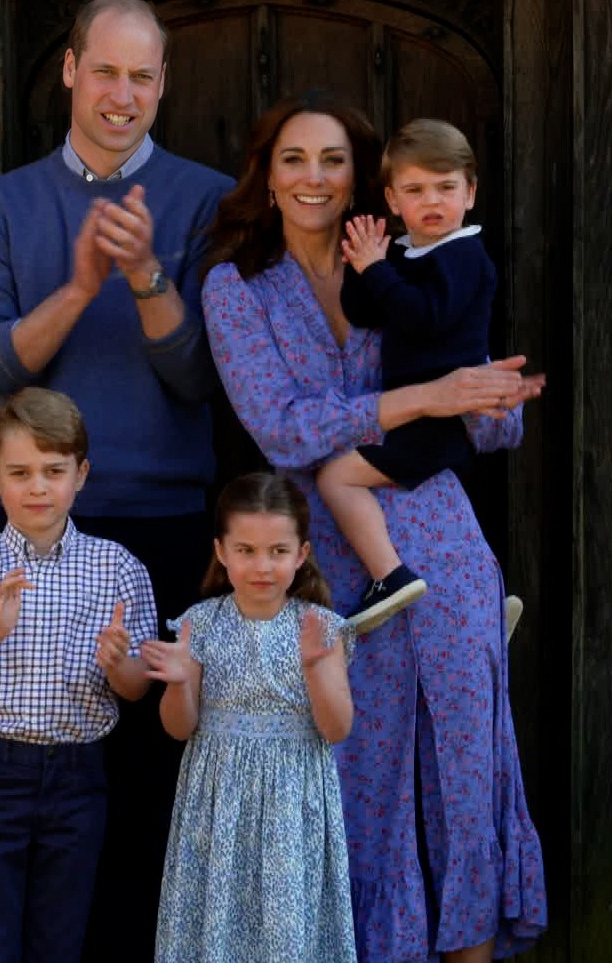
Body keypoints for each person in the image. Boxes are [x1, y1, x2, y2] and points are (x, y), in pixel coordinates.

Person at [201, 90, 547, 963]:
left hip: (441, 528)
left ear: (365, 180)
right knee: (358, 774)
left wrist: (492, 397)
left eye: (332, 160)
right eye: (294, 159)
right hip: (326, 552)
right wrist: (427, 397)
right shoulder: (235, 285)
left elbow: (481, 411)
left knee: (467, 765)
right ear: (266, 177)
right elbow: (281, 427)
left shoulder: (410, 255)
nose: (314, 177)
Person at [0, 0, 234, 957]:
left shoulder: (208, 200)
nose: (122, 95)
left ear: (163, 85)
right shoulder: (1, 204)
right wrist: (77, 286)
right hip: (26, 530)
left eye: (142, 76)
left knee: (149, 788)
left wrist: (148, 275)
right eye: (104, 71)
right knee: (20, 792)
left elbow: (203, 379)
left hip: (160, 524)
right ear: (69, 70)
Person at [0, 387, 155, 963]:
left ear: (81, 474)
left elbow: (138, 687)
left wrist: (118, 662)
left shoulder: (117, 567)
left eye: (54, 470)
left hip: (77, 775)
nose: (38, 487)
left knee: (59, 937)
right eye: (20, 472)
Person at [142, 472, 358, 963]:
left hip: (292, 802)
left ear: (301, 554)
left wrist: (316, 670)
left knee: (286, 931)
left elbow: (337, 729)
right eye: (246, 550)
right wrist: (178, 681)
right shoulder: (201, 622)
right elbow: (179, 727)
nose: (263, 565)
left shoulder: (321, 627)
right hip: (217, 802)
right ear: (221, 551)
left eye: (278, 551)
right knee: (217, 924)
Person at [316, 118, 498, 634]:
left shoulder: (465, 256)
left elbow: (425, 317)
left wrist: (379, 269)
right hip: (415, 414)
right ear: (394, 201)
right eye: (416, 190)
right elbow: (365, 311)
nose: (432, 201)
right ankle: (475, 606)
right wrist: (363, 263)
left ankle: (389, 577)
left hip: (438, 421)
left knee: (336, 477)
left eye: (446, 187)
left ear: (471, 193)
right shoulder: (407, 253)